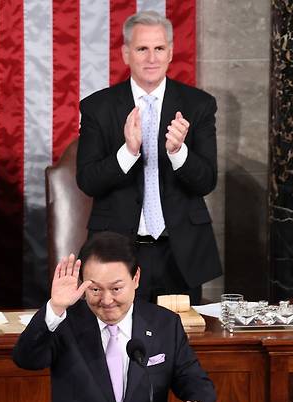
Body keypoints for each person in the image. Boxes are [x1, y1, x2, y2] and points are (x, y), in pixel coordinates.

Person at [76, 11, 222, 305]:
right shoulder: (97, 107)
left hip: (180, 251)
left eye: (159, 48)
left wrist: (179, 152)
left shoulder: (199, 105)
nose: (151, 58)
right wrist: (128, 152)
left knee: (178, 343)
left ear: (170, 52)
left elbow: (206, 180)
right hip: (118, 254)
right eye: (142, 49)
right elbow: (88, 181)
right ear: (126, 53)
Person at [12, 232, 216, 402]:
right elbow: (27, 359)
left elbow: (194, 380)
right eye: (95, 290)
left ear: (136, 278)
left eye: (116, 288)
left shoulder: (164, 323)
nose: (107, 300)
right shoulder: (64, 321)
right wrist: (55, 307)